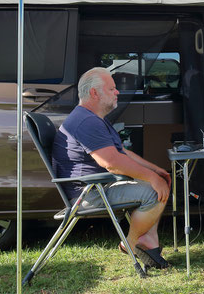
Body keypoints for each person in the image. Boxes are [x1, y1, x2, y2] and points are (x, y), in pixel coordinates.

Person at [52, 67, 172, 268]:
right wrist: (152, 178)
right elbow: (111, 163)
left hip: (97, 186)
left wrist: (155, 171)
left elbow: (121, 153)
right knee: (154, 191)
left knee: (159, 186)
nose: (117, 92)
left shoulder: (94, 119)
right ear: (94, 93)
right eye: (112, 89)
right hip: (87, 193)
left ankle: (149, 244)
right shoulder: (86, 121)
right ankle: (132, 242)